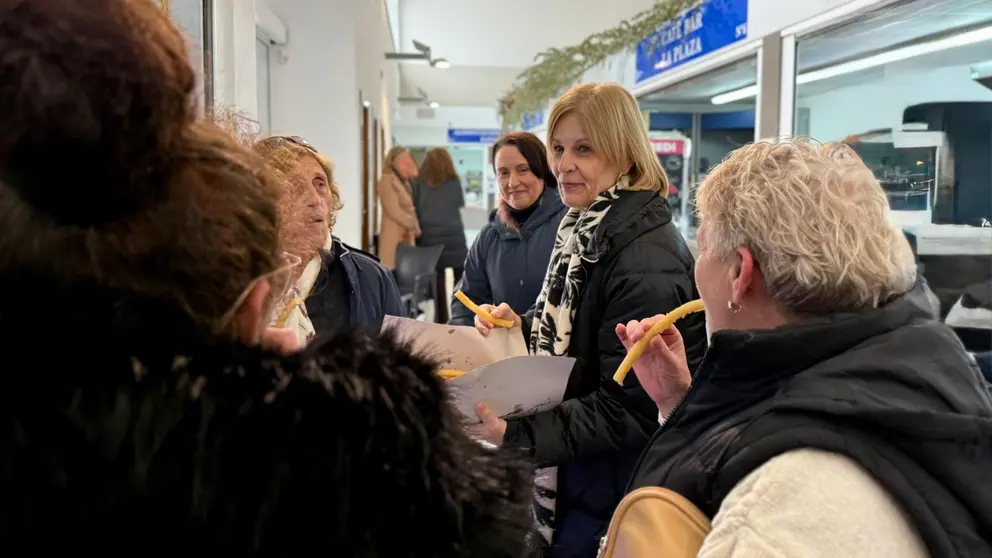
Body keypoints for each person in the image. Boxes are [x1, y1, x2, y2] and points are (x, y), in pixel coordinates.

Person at [0, 2, 535, 556]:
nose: (315, 201)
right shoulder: (343, 454)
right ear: (254, 302)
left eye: (321, 186)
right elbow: (486, 525)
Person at [617, 139, 992, 557]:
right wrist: (678, 402)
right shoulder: (923, 366)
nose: (697, 267)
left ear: (741, 272)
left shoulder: (772, 519)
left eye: (703, 249)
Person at [473, 83, 707, 557]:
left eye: (584, 148)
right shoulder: (587, 229)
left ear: (624, 152)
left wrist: (516, 436)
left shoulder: (641, 253)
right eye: (558, 148)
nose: (562, 164)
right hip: (582, 479)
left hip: (610, 488)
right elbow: (579, 324)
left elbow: (631, 408)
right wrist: (520, 323)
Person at [254, 135, 404, 344]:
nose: (315, 200)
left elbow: (406, 367)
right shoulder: (240, 279)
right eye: (295, 188)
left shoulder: (372, 278)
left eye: (320, 184)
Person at [450, 132, 566, 327]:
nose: (512, 182)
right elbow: (465, 300)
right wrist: (472, 330)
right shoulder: (490, 235)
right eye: (503, 172)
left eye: (523, 170)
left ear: (542, 171)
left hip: (558, 354)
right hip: (505, 353)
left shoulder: (570, 224)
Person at [410, 147, 468, 323]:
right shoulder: (454, 181)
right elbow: (460, 203)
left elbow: (416, 207)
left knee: (438, 285)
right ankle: (462, 316)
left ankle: (441, 319)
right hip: (454, 237)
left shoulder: (418, 182)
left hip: (429, 240)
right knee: (462, 281)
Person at [377, 145, 420, 268]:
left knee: (405, 273)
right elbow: (394, 211)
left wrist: (414, 225)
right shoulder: (387, 180)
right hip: (394, 236)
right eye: (403, 159)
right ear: (393, 161)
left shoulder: (403, 182)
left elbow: (415, 172)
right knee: (394, 273)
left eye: (409, 159)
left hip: (406, 236)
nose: (408, 162)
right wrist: (412, 223)